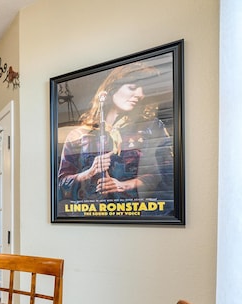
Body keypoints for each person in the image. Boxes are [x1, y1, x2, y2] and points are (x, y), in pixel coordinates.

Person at [57, 62, 174, 204]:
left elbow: (167, 175)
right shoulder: (79, 135)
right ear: (112, 88)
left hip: (137, 216)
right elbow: (60, 186)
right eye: (133, 87)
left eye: (144, 91)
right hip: (88, 217)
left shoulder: (152, 128)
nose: (140, 95)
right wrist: (90, 172)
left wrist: (124, 185)